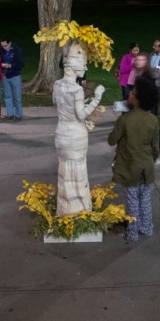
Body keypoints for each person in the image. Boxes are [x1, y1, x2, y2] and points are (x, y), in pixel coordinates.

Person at [53, 42, 106, 214]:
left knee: (65, 172)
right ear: (73, 63)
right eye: (83, 61)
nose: (85, 65)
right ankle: (79, 210)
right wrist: (97, 98)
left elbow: (57, 104)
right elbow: (81, 115)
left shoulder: (56, 85)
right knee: (78, 172)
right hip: (76, 136)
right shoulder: (77, 90)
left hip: (61, 134)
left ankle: (65, 208)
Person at [108, 74, 160, 242]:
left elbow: (111, 140)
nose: (129, 93)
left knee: (132, 201)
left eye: (132, 93)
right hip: (147, 167)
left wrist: (119, 121)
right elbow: (155, 148)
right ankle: (147, 228)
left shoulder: (125, 119)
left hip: (130, 167)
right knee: (144, 198)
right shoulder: (153, 119)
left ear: (137, 100)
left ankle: (132, 233)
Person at [0, 38, 24, 121]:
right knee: (7, 96)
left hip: (15, 76)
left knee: (17, 96)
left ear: (10, 43)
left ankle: (18, 115)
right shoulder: (2, 51)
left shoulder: (17, 50)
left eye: (6, 45)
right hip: (5, 76)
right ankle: (10, 114)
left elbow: (21, 64)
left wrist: (10, 66)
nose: (4, 47)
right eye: (2, 46)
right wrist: (1, 65)